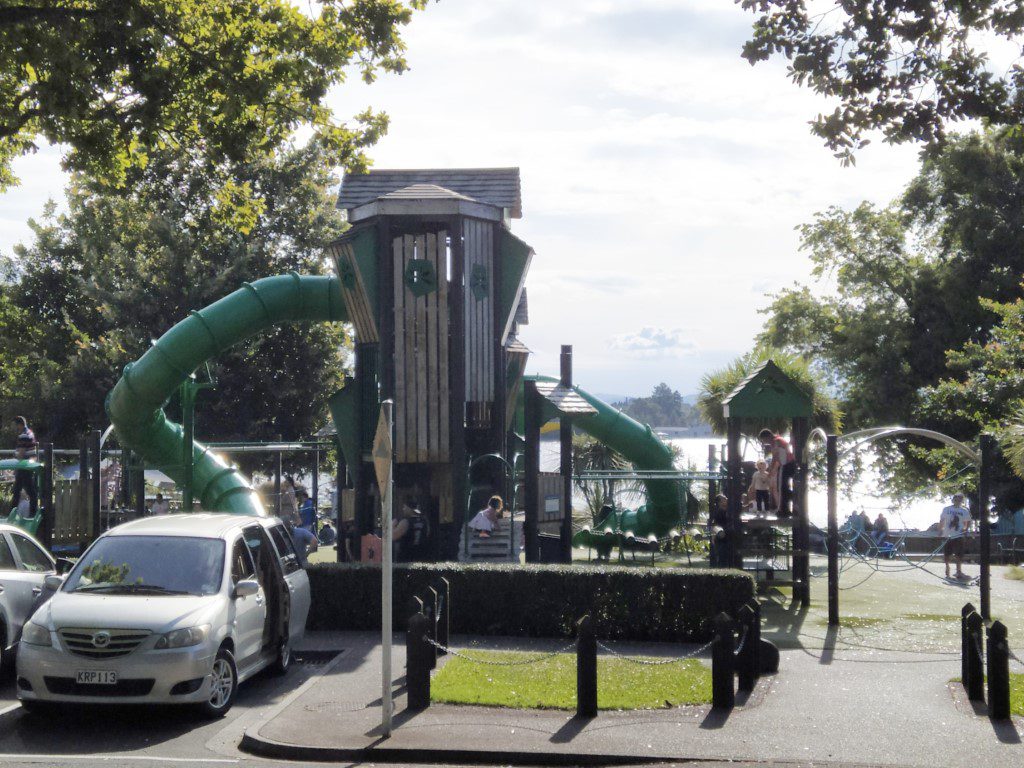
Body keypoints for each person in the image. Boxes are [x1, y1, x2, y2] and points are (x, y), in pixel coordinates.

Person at [758, 429, 796, 515]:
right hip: (789, 464)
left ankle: (783, 510)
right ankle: (785, 508)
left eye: (763, 440)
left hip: (786, 465)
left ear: (767, 437)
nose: (764, 442)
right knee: (784, 487)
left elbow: (775, 458)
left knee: (781, 488)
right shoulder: (779, 439)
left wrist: (770, 470)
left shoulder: (775, 441)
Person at [939, 492, 971, 579]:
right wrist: (940, 530)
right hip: (947, 534)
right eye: (956, 499)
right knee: (947, 554)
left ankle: (958, 571)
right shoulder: (946, 509)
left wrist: (965, 529)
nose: (957, 501)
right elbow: (942, 520)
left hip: (958, 535)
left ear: (961, 500)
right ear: (953, 500)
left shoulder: (964, 510)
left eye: (959, 499)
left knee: (959, 554)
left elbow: (968, 521)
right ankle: (947, 567)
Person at [11, 416, 37, 517]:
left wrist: (15, 454)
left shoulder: (23, 436)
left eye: (14, 425)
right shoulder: (30, 432)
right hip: (29, 465)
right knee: (29, 491)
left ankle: (13, 515)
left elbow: (21, 454)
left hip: (24, 466)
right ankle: (31, 513)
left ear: (19, 424)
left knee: (18, 491)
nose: (14, 427)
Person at [396, 496, 431, 562]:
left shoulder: (405, 522)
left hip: (405, 556)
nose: (403, 509)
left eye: (404, 507)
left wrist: (392, 524)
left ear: (409, 508)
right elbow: (427, 534)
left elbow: (392, 536)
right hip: (420, 555)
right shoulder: (424, 521)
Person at [708, 493, 730, 567]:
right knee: (722, 559)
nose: (726, 499)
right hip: (721, 538)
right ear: (720, 502)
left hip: (726, 538)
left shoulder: (727, 511)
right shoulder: (719, 512)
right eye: (724, 499)